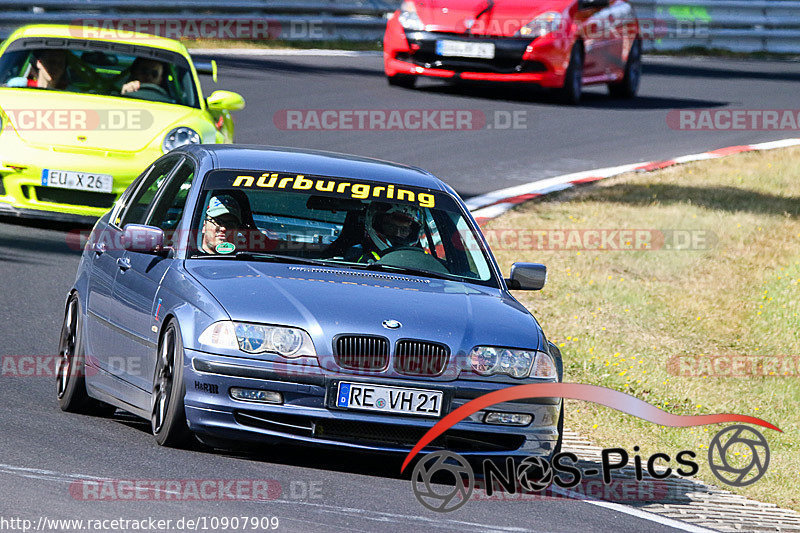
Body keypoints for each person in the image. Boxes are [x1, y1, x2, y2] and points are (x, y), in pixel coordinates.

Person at [349, 203, 424, 263]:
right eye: (391, 227)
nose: (397, 234)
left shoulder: (419, 261)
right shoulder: (356, 254)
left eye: (404, 230)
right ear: (377, 224)